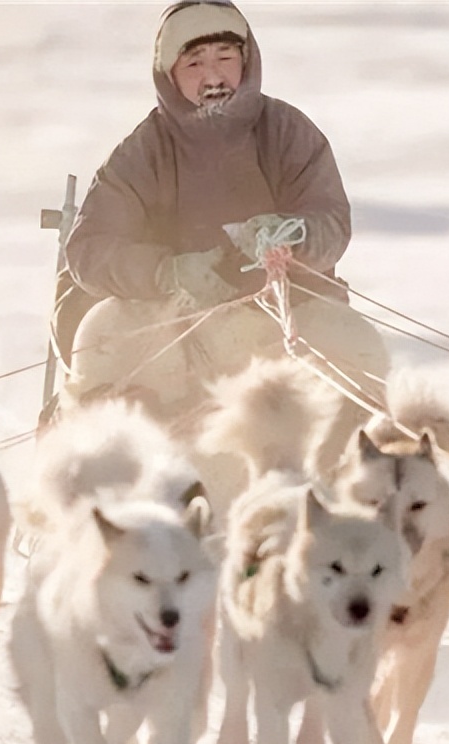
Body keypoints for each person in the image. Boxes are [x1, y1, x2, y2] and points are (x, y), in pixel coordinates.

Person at [47, 0, 388, 469]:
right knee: (100, 329)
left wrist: (294, 235)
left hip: (280, 327)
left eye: (225, 58)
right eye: (194, 62)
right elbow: (88, 252)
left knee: (355, 344)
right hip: (173, 337)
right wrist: (167, 271)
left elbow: (332, 221)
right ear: (168, 73)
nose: (213, 77)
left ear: (247, 62)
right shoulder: (142, 153)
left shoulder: (288, 133)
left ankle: (329, 480)